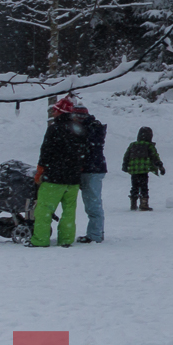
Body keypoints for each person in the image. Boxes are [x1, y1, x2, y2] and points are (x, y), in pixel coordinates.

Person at [31, 99, 90, 247]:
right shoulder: (79, 129)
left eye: (55, 109)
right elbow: (85, 152)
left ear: (59, 112)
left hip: (54, 178)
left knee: (44, 210)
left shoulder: (54, 129)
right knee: (69, 212)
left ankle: (40, 240)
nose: (53, 112)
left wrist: (40, 171)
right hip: (73, 180)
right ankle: (66, 240)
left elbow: (46, 152)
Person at [75, 104, 108, 243]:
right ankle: (96, 232)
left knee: (93, 203)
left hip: (90, 170)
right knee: (93, 201)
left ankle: (95, 235)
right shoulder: (94, 127)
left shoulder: (87, 130)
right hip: (95, 169)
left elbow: (85, 150)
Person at [122, 127, 166, 211]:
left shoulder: (132, 145)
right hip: (143, 170)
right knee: (144, 187)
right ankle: (144, 204)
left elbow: (126, 156)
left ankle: (133, 203)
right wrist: (160, 167)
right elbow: (155, 157)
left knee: (134, 186)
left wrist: (125, 165)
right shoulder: (149, 145)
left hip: (134, 170)